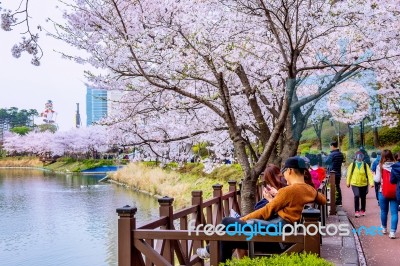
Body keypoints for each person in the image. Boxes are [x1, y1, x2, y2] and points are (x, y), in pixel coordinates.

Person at [196, 157, 327, 262]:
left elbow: (265, 212)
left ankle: (209, 250)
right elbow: (323, 200)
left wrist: (240, 220)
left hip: (275, 237)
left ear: (290, 171)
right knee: (227, 237)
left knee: (227, 222)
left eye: (284, 172)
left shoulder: (288, 191)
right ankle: (210, 251)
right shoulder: (310, 190)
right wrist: (312, 191)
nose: (284, 176)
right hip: (285, 235)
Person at [374, 149, 397, 239]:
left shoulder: (380, 166)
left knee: (384, 211)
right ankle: (392, 232)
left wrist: (373, 175)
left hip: (383, 191)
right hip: (395, 192)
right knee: (394, 213)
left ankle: (384, 228)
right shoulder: (397, 165)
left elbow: (377, 180)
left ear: (382, 156)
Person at [346, 151, 374, 217]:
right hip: (354, 183)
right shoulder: (352, 165)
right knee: (356, 195)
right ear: (355, 157)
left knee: (363, 197)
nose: (359, 158)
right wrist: (348, 182)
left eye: (360, 156)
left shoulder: (365, 165)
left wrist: (371, 183)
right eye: (358, 156)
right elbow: (349, 174)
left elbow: (369, 174)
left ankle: (363, 210)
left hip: (363, 184)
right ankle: (356, 210)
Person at [325, 141, 344, 206]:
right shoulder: (340, 154)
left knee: (332, 187)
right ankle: (339, 202)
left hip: (332, 173)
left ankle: (333, 202)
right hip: (338, 172)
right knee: (338, 186)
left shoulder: (332, 154)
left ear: (332, 146)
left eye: (330, 146)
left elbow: (326, 162)